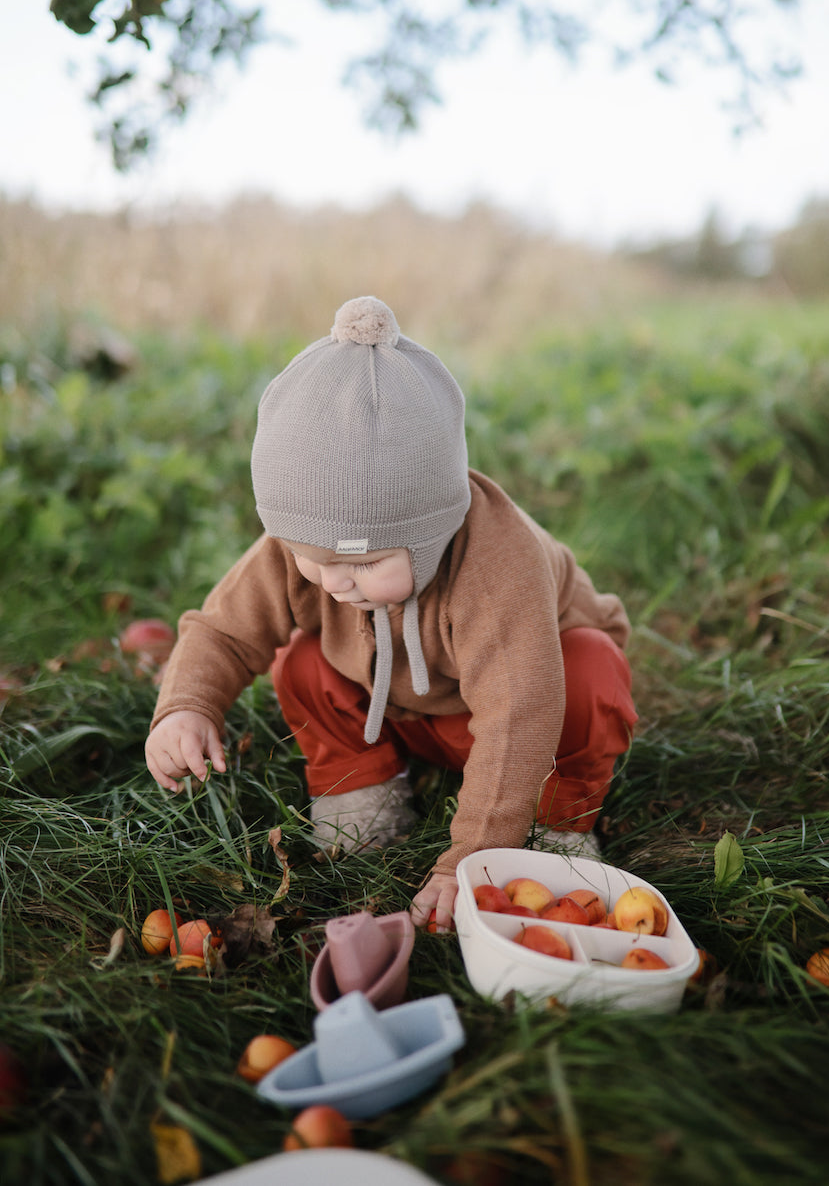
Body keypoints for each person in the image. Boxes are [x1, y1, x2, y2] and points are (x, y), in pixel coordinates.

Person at [144, 296, 636, 932]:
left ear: (431, 531)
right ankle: (362, 789)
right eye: (313, 560)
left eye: (368, 563)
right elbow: (224, 628)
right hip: (407, 706)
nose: (338, 583)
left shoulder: (495, 565)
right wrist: (187, 705)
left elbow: (521, 710)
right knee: (300, 664)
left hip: (531, 719)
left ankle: (553, 824)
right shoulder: (305, 552)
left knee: (591, 669)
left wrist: (475, 860)